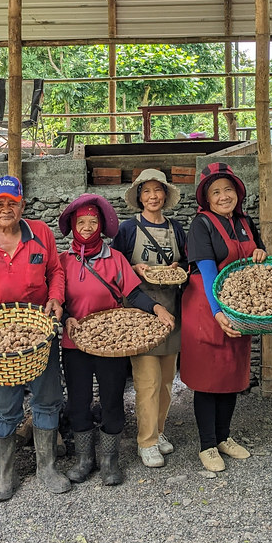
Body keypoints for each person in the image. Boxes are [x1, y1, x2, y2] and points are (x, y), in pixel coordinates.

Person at [0, 176, 71, 501]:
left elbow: (56, 271)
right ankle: (3, 476)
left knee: (48, 398)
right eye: (0, 203)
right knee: (4, 405)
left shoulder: (41, 234)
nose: (6, 208)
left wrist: (56, 298)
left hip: (37, 331)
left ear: (23, 204)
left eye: (12, 202)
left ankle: (47, 468)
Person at [58, 194, 175, 485]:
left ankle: (110, 460)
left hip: (112, 342)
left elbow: (133, 294)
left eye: (93, 222)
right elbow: (54, 299)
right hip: (76, 343)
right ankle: (85, 458)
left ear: (101, 225)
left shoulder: (115, 258)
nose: (86, 227)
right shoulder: (63, 261)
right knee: (78, 399)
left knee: (112, 398)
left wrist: (157, 307)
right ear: (73, 226)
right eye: (81, 222)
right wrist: (65, 319)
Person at [181, 162, 266, 473]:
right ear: (207, 198)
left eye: (228, 189)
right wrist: (217, 312)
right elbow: (206, 271)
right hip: (206, 308)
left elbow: (261, 257)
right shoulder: (201, 224)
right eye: (215, 192)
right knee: (207, 379)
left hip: (238, 308)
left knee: (231, 375)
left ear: (237, 193)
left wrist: (261, 255)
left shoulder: (245, 221)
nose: (223, 196)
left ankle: (223, 437)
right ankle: (206, 445)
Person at [114, 169, 187, 468]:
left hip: (172, 310)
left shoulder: (176, 228)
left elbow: (186, 263)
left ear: (166, 196)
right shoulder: (128, 229)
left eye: (158, 191)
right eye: (147, 191)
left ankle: (158, 431)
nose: (153, 196)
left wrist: (176, 265)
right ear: (139, 197)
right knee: (147, 381)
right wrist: (135, 269)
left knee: (168, 379)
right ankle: (146, 442)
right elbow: (115, 268)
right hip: (139, 312)